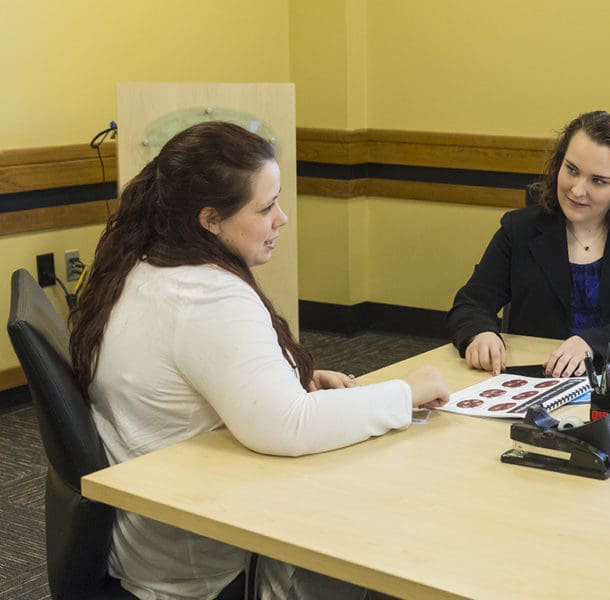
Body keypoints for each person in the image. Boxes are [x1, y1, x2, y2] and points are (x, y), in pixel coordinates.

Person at [69, 121, 449, 600]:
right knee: (394, 524)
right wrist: (405, 392)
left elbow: (199, 375)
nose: (282, 218)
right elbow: (285, 426)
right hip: (206, 565)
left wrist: (290, 378)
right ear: (210, 219)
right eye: (266, 207)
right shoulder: (209, 296)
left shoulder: (145, 264)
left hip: (153, 537)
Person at [446, 110, 610, 378]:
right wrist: (481, 333)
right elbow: (471, 302)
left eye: (598, 181)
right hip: (537, 378)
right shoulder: (519, 229)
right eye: (571, 170)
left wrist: (591, 343)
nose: (577, 190)